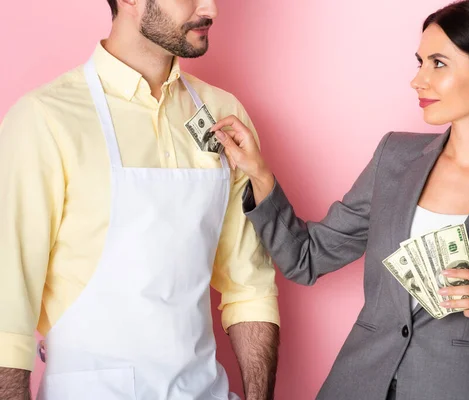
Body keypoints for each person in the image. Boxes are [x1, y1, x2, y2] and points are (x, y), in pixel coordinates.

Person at [211, 0, 469, 399]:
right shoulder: (395, 157)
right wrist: (259, 173)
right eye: (419, 62)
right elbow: (306, 258)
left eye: (438, 63)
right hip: (356, 384)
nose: (418, 80)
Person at [0, 1, 280, 399]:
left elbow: (249, 285)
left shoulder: (224, 115)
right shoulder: (44, 120)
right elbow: (6, 313)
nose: (211, 9)